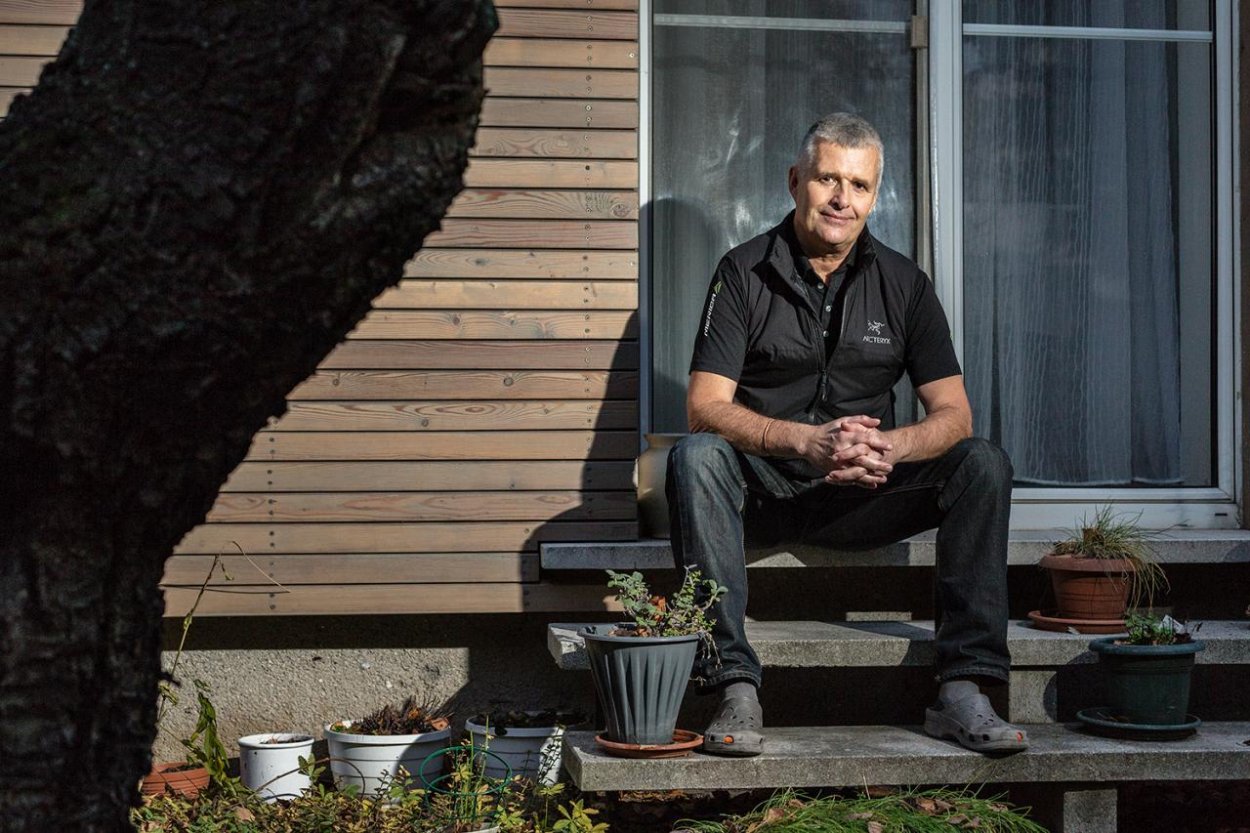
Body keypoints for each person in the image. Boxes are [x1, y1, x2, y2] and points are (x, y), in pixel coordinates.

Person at [665, 112, 1027, 757]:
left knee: (983, 462)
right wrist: (803, 441)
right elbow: (704, 406)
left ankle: (964, 688)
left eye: (858, 185)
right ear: (795, 181)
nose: (842, 199)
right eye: (828, 179)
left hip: (868, 494)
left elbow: (954, 414)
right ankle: (733, 686)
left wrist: (893, 447)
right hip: (763, 497)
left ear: (874, 195)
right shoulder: (742, 272)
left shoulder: (905, 284)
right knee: (695, 457)